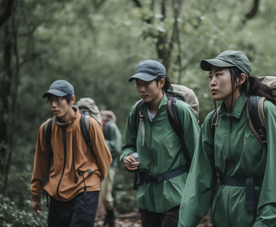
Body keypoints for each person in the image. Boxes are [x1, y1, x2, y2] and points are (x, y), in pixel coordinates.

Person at [178, 50, 276, 227]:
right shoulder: (213, 121)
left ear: (240, 79)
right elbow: (199, 179)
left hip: (256, 215)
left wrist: (267, 222)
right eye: (210, 76)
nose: (212, 82)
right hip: (222, 215)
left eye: (219, 74)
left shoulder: (264, 111)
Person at [120, 60, 200, 227]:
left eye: (147, 84)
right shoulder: (136, 112)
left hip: (176, 194)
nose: (141, 89)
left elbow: (198, 156)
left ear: (161, 82)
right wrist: (126, 157)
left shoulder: (181, 111)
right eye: (138, 84)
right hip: (146, 197)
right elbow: (128, 146)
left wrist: (198, 195)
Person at [30, 80, 112, 227]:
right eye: (50, 100)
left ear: (71, 99)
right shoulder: (46, 129)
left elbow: (105, 157)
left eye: (58, 99)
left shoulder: (89, 124)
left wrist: (92, 178)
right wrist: (36, 195)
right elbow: (40, 164)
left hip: (85, 191)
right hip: (57, 195)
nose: (53, 105)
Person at [100, 110, 122, 227]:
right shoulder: (101, 127)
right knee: (103, 195)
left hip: (109, 165)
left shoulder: (111, 127)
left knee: (105, 195)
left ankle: (112, 218)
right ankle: (108, 217)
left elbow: (117, 147)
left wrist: (101, 142)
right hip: (98, 165)